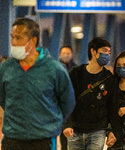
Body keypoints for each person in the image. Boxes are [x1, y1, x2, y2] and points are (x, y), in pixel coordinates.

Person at [0, 17, 76, 150]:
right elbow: (2, 98)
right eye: (12, 37)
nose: (13, 42)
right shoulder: (6, 68)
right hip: (12, 138)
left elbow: (68, 102)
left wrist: (52, 124)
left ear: (33, 41)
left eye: (18, 38)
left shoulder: (54, 69)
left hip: (43, 139)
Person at [63, 37, 117, 150]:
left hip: (98, 130)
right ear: (93, 51)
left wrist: (111, 130)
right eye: (104, 51)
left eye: (109, 52)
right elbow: (67, 100)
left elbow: (112, 106)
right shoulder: (76, 73)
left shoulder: (109, 78)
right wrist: (67, 125)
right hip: (75, 130)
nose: (107, 55)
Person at [59, 45, 77, 150]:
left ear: (72, 55)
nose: (66, 55)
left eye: (68, 53)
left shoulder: (76, 69)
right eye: (64, 53)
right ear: (59, 55)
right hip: (59, 105)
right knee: (61, 132)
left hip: (71, 105)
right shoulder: (55, 67)